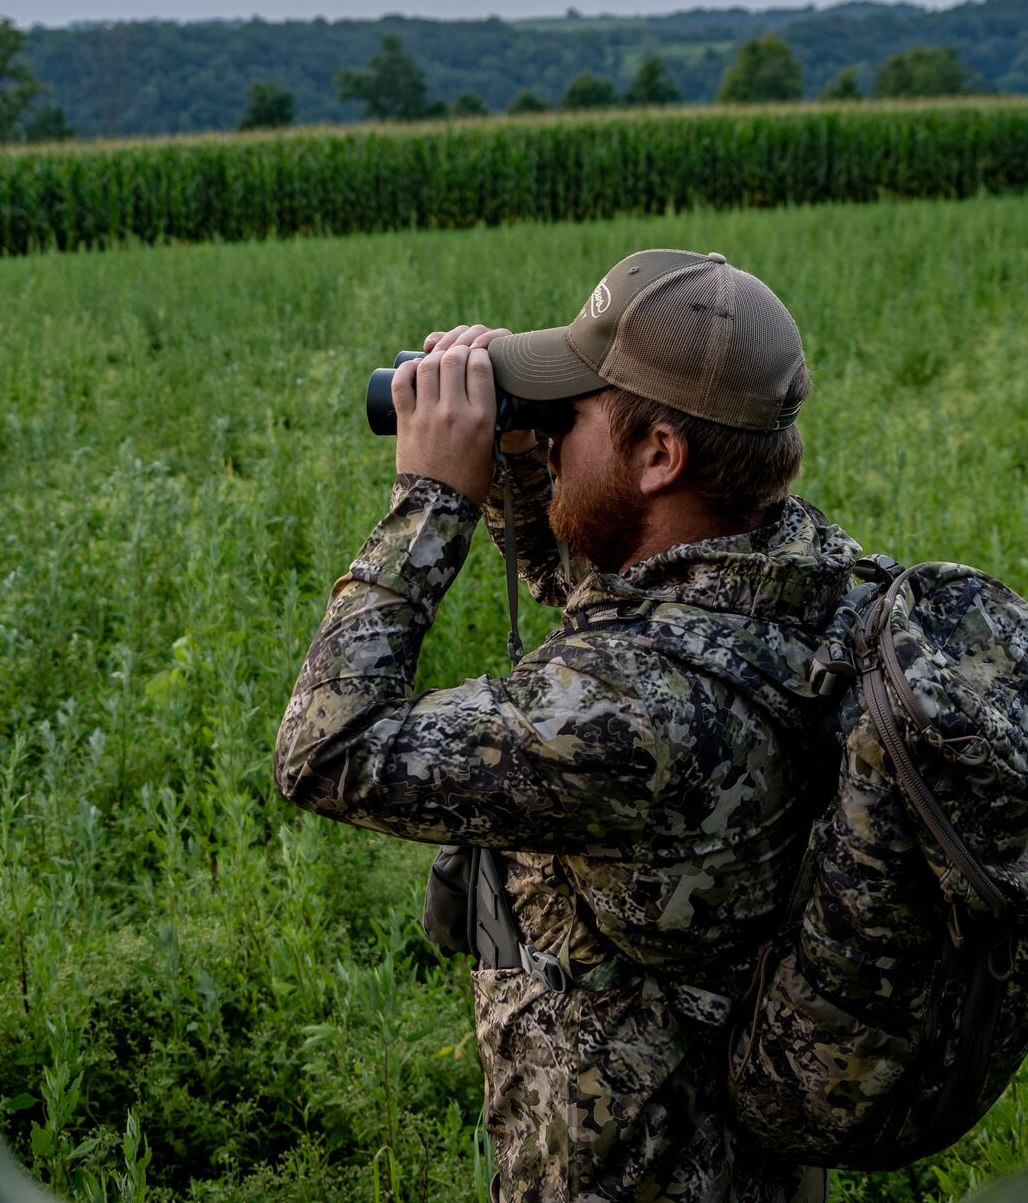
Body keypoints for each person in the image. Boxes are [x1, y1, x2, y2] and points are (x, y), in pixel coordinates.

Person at [275, 249, 854, 1202]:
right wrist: (518, 460)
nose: (550, 435)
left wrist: (431, 502)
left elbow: (325, 750)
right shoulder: (798, 577)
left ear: (660, 454)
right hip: (750, 1156)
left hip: (624, 1161)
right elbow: (614, 587)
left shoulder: (626, 709)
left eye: (569, 415)